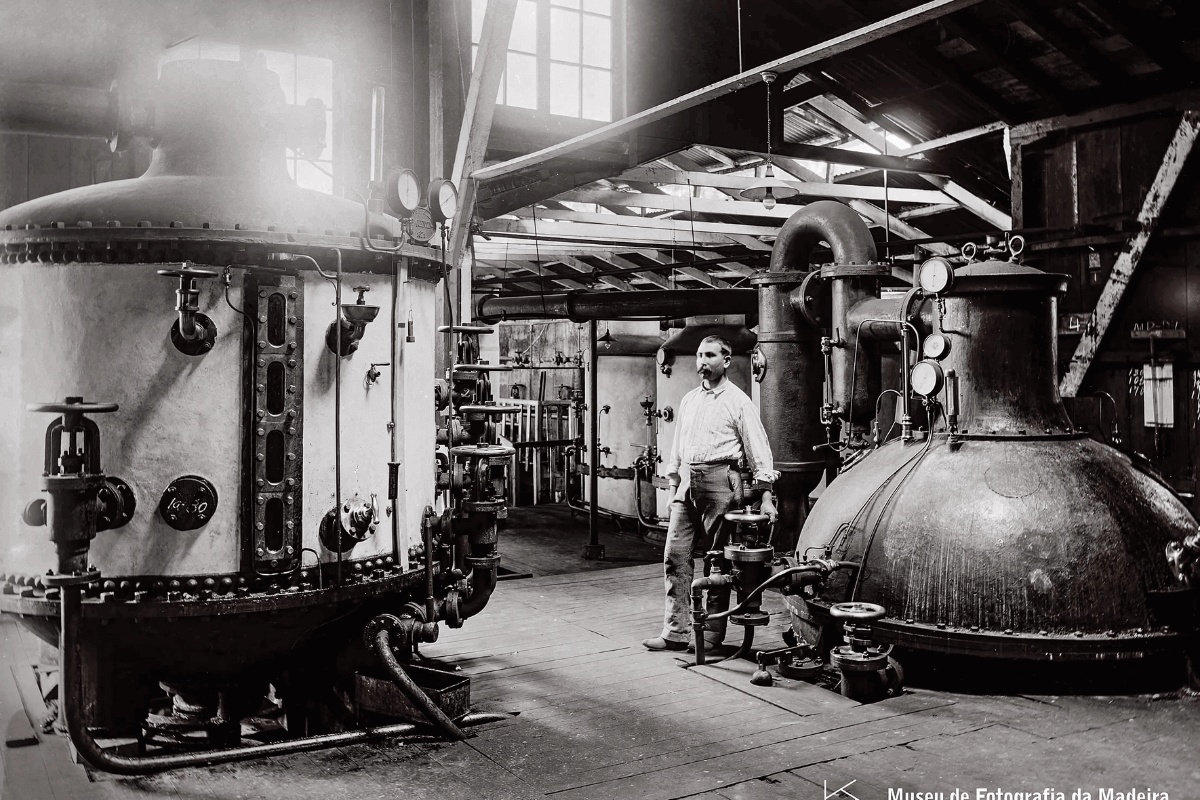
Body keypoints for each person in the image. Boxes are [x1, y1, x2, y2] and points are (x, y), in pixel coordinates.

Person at [642, 335, 778, 652]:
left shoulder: (739, 402)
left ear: (726, 361)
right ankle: (675, 632)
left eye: (710, 355)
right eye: (700, 355)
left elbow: (759, 451)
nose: (702, 361)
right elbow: (677, 448)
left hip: (722, 481)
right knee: (674, 556)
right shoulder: (689, 399)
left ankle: (713, 634)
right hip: (687, 480)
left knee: (716, 561)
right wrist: (673, 487)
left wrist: (766, 496)